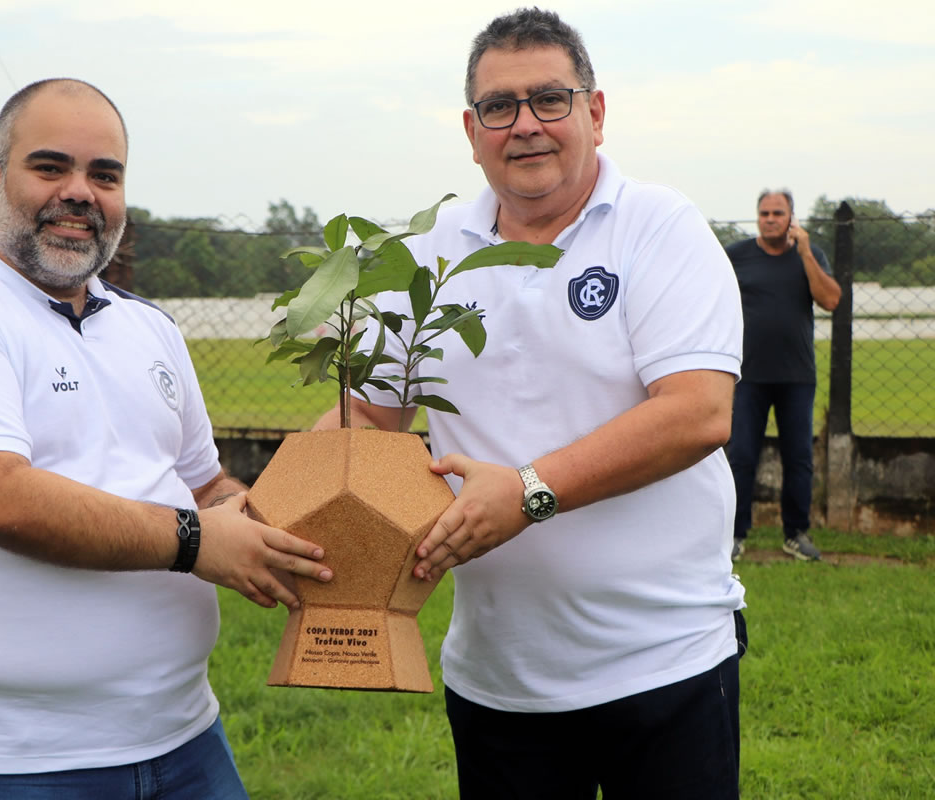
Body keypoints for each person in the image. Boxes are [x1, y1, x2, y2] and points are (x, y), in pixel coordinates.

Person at [314, 8, 746, 799]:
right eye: (499, 107)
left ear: (596, 112)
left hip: (664, 663)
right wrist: (285, 502)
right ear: (471, 130)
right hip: (498, 679)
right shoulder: (428, 250)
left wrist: (528, 491)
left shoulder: (660, 229)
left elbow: (696, 413)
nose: (526, 126)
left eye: (550, 99)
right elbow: (370, 418)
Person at [0, 78, 333, 799]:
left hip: (186, 741)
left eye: (104, 175)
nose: (80, 192)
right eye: (51, 167)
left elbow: (207, 488)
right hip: (6, 762)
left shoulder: (149, 327)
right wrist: (199, 541)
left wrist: (311, 542)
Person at [726, 190, 842, 562]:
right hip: (748, 376)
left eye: (778, 213)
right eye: (764, 213)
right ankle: (733, 536)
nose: (770, 219)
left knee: (799, 458)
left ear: (792, 217)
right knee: (741, 456)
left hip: (796, 375)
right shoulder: (737, 255)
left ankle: (796, 534)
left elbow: (831, 300)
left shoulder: (810, 255)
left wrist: (805, 251)